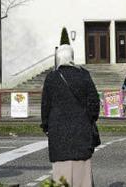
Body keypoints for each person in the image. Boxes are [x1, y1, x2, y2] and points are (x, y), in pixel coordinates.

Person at [41, 45, 100, 187]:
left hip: (58, 131)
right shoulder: (84, 75)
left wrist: (46, 126)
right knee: (82, 173)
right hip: (81, 128)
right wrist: (89, 118)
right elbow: (94, 102)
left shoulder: (52, 77)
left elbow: (45, 105)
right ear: (72, 57)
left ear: (58, 58)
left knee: (61, 173)